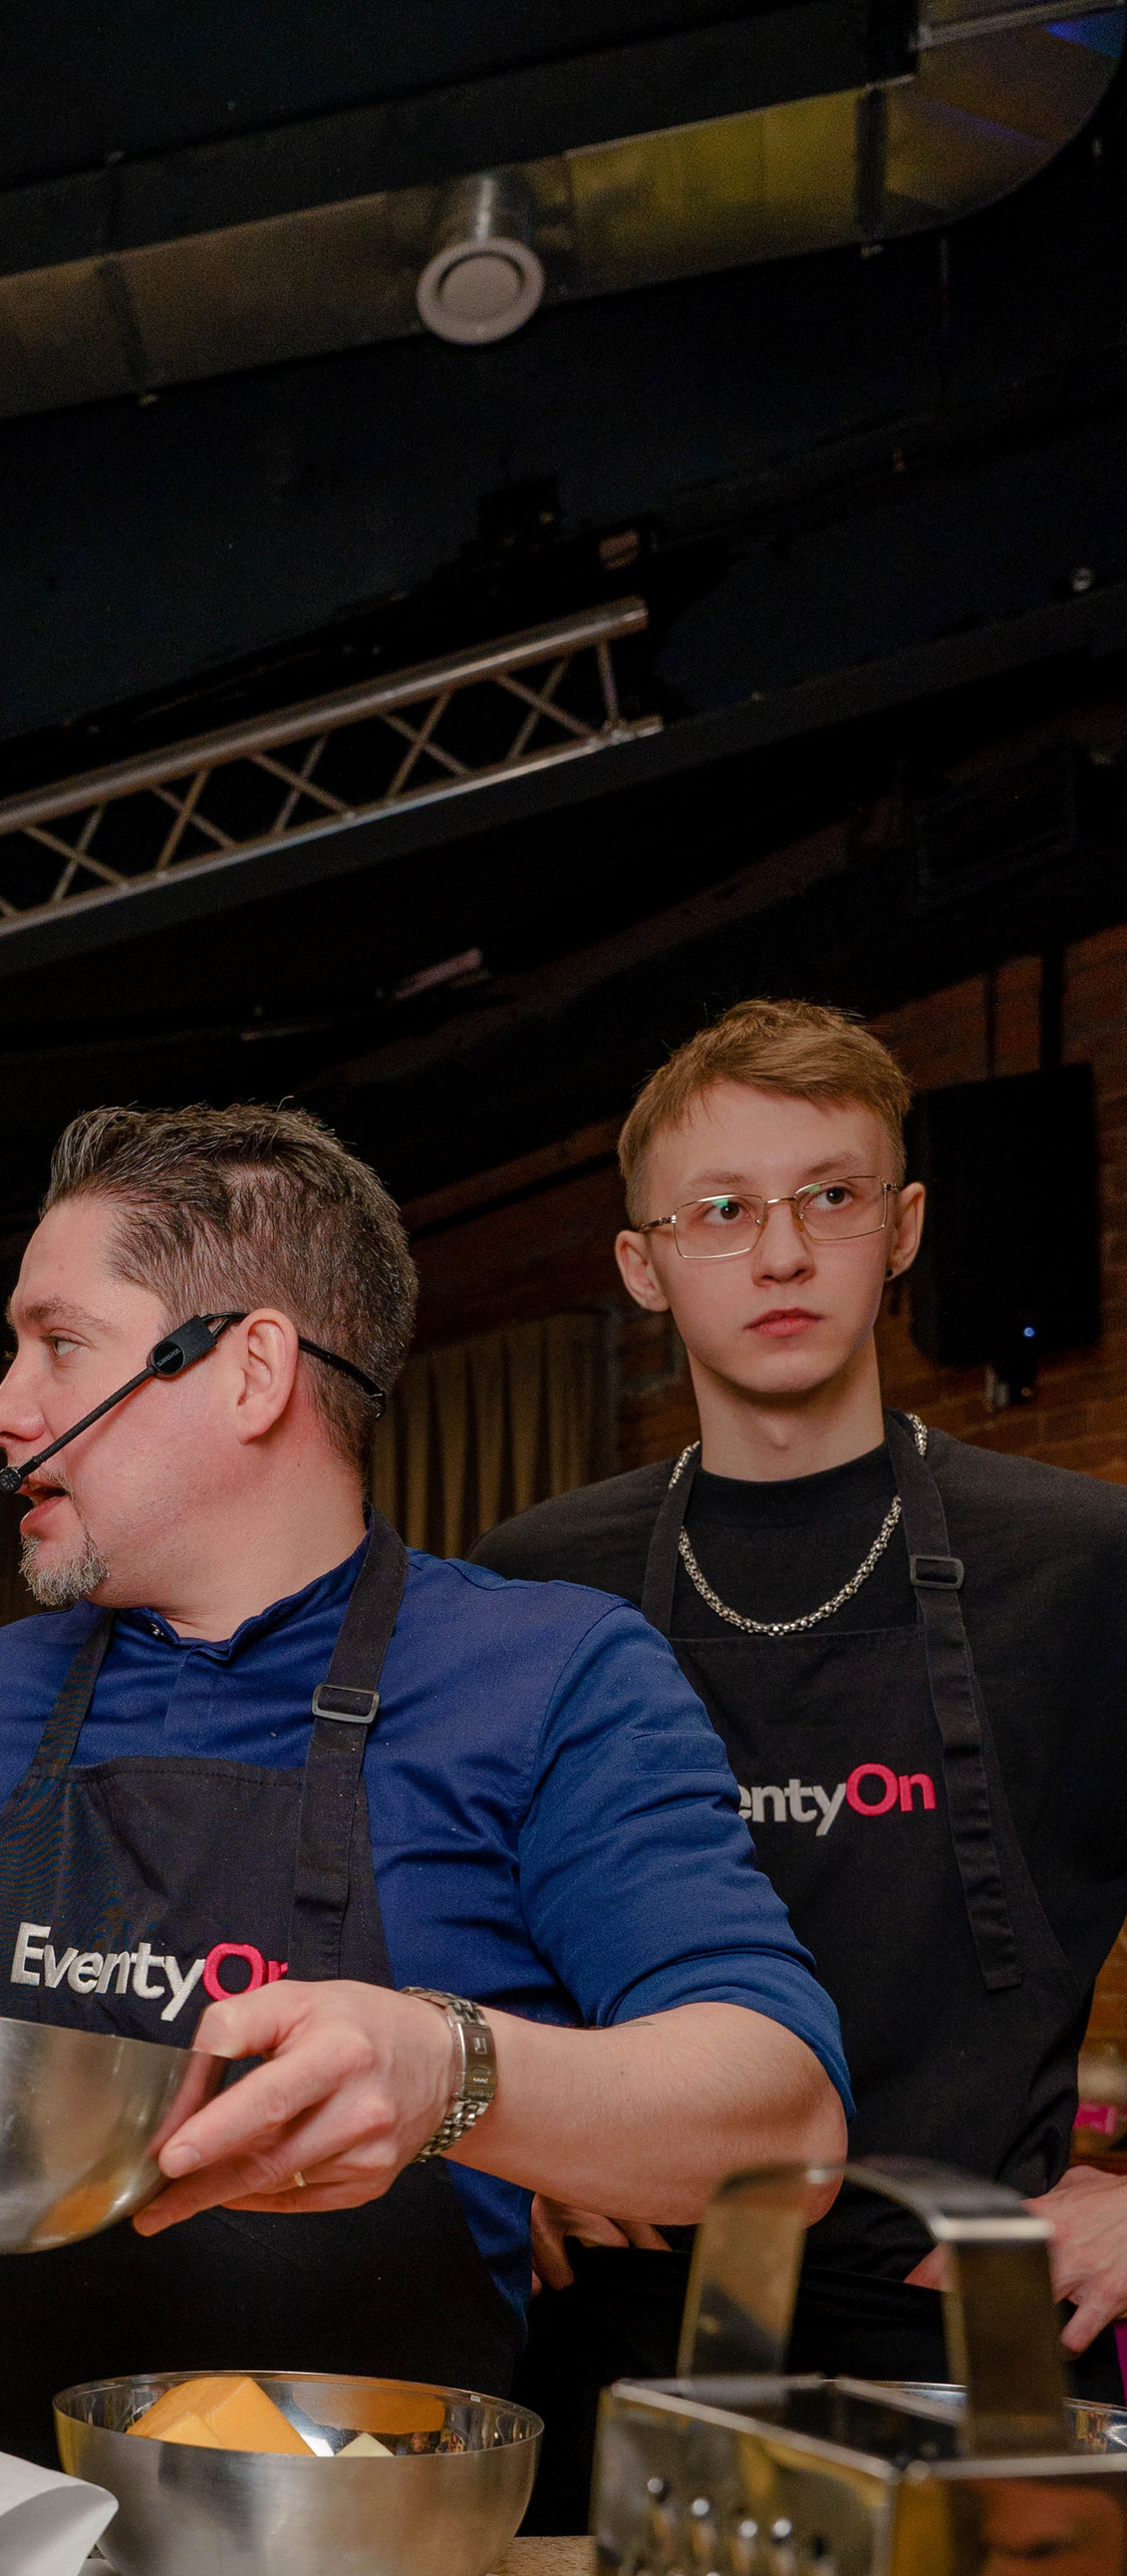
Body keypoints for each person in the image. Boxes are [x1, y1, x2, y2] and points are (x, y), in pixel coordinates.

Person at [0, 1102, 851, 2466]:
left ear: (251, 1372)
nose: (0, 1410)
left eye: (60, 1345)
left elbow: (787, 2120)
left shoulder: (548, 1678)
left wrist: (454, 2075)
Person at [479, 1001, 1127, 2500]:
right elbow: (446, 1923)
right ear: (644, 1263)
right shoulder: (532, 1580)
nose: (780, 1255)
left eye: (829, 1197)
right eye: (720, 1211)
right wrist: (493, 2139)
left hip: (968, 2344)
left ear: (901, 1229)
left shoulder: (1082, 1562)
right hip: (614, 2357)